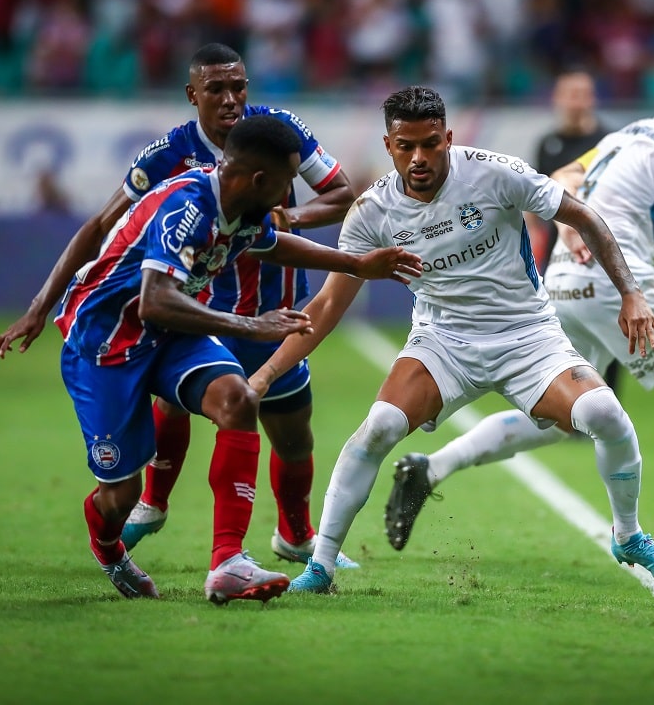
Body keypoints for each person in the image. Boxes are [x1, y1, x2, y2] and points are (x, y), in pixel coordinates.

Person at [246, 85, 654, 594]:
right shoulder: (372, 212)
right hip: (442, 341)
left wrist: (632, 294)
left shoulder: (496, 172)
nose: (419, 158)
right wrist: (267, 373)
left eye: (430, 144)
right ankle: (321, 567)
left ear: (447, 138)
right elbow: (328, 306)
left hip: (528, 335)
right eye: (406, 147)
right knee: (377, 429)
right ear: (388, 145)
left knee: (604, 415)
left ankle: (628, 536)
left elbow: (581, 214)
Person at [382, 69, 654, 573]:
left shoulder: (640, 130)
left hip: (567, 279)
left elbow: (564, 177)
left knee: (554, 421)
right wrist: (648, 306)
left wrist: (572, 237)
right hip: (616, 281)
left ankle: (431, 467)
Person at [0, 43, 360, 568]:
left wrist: (284, 220)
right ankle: (153, 505)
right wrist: (39, 304)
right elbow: (99, 226)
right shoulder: (170, 157)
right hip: (192, 310)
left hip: (275, 307)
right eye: (216, 89)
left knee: (292, 431)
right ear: (193, 95)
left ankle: (290, 536)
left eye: (239, 87)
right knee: (182, 402)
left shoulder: (277, 131)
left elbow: (342, 195)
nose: (231, 99)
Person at [51, 115, 420, 602]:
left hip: (170, 335)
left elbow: (270, 244)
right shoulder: (188, 208)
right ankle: (109, 547)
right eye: (289, 182)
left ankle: (227, 560)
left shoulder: (243, 204)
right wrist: (251, 325)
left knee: (238, 399)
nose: (293, 193)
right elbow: (153, 300)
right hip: (107, 345)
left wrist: (355, 263)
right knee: (117, 497)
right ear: (262, 180)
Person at [532, 70, 621, 395]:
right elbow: (535, 197)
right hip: (557, 253)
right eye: (569, 93)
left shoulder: (608, 143)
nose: (575, 101)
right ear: (557, 98)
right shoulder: (548, 144)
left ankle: (606, 405)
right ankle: (569, 404)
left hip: (599, 252)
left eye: (582, 93)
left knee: (606, 331)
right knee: (558, 331)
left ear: (592, 98)